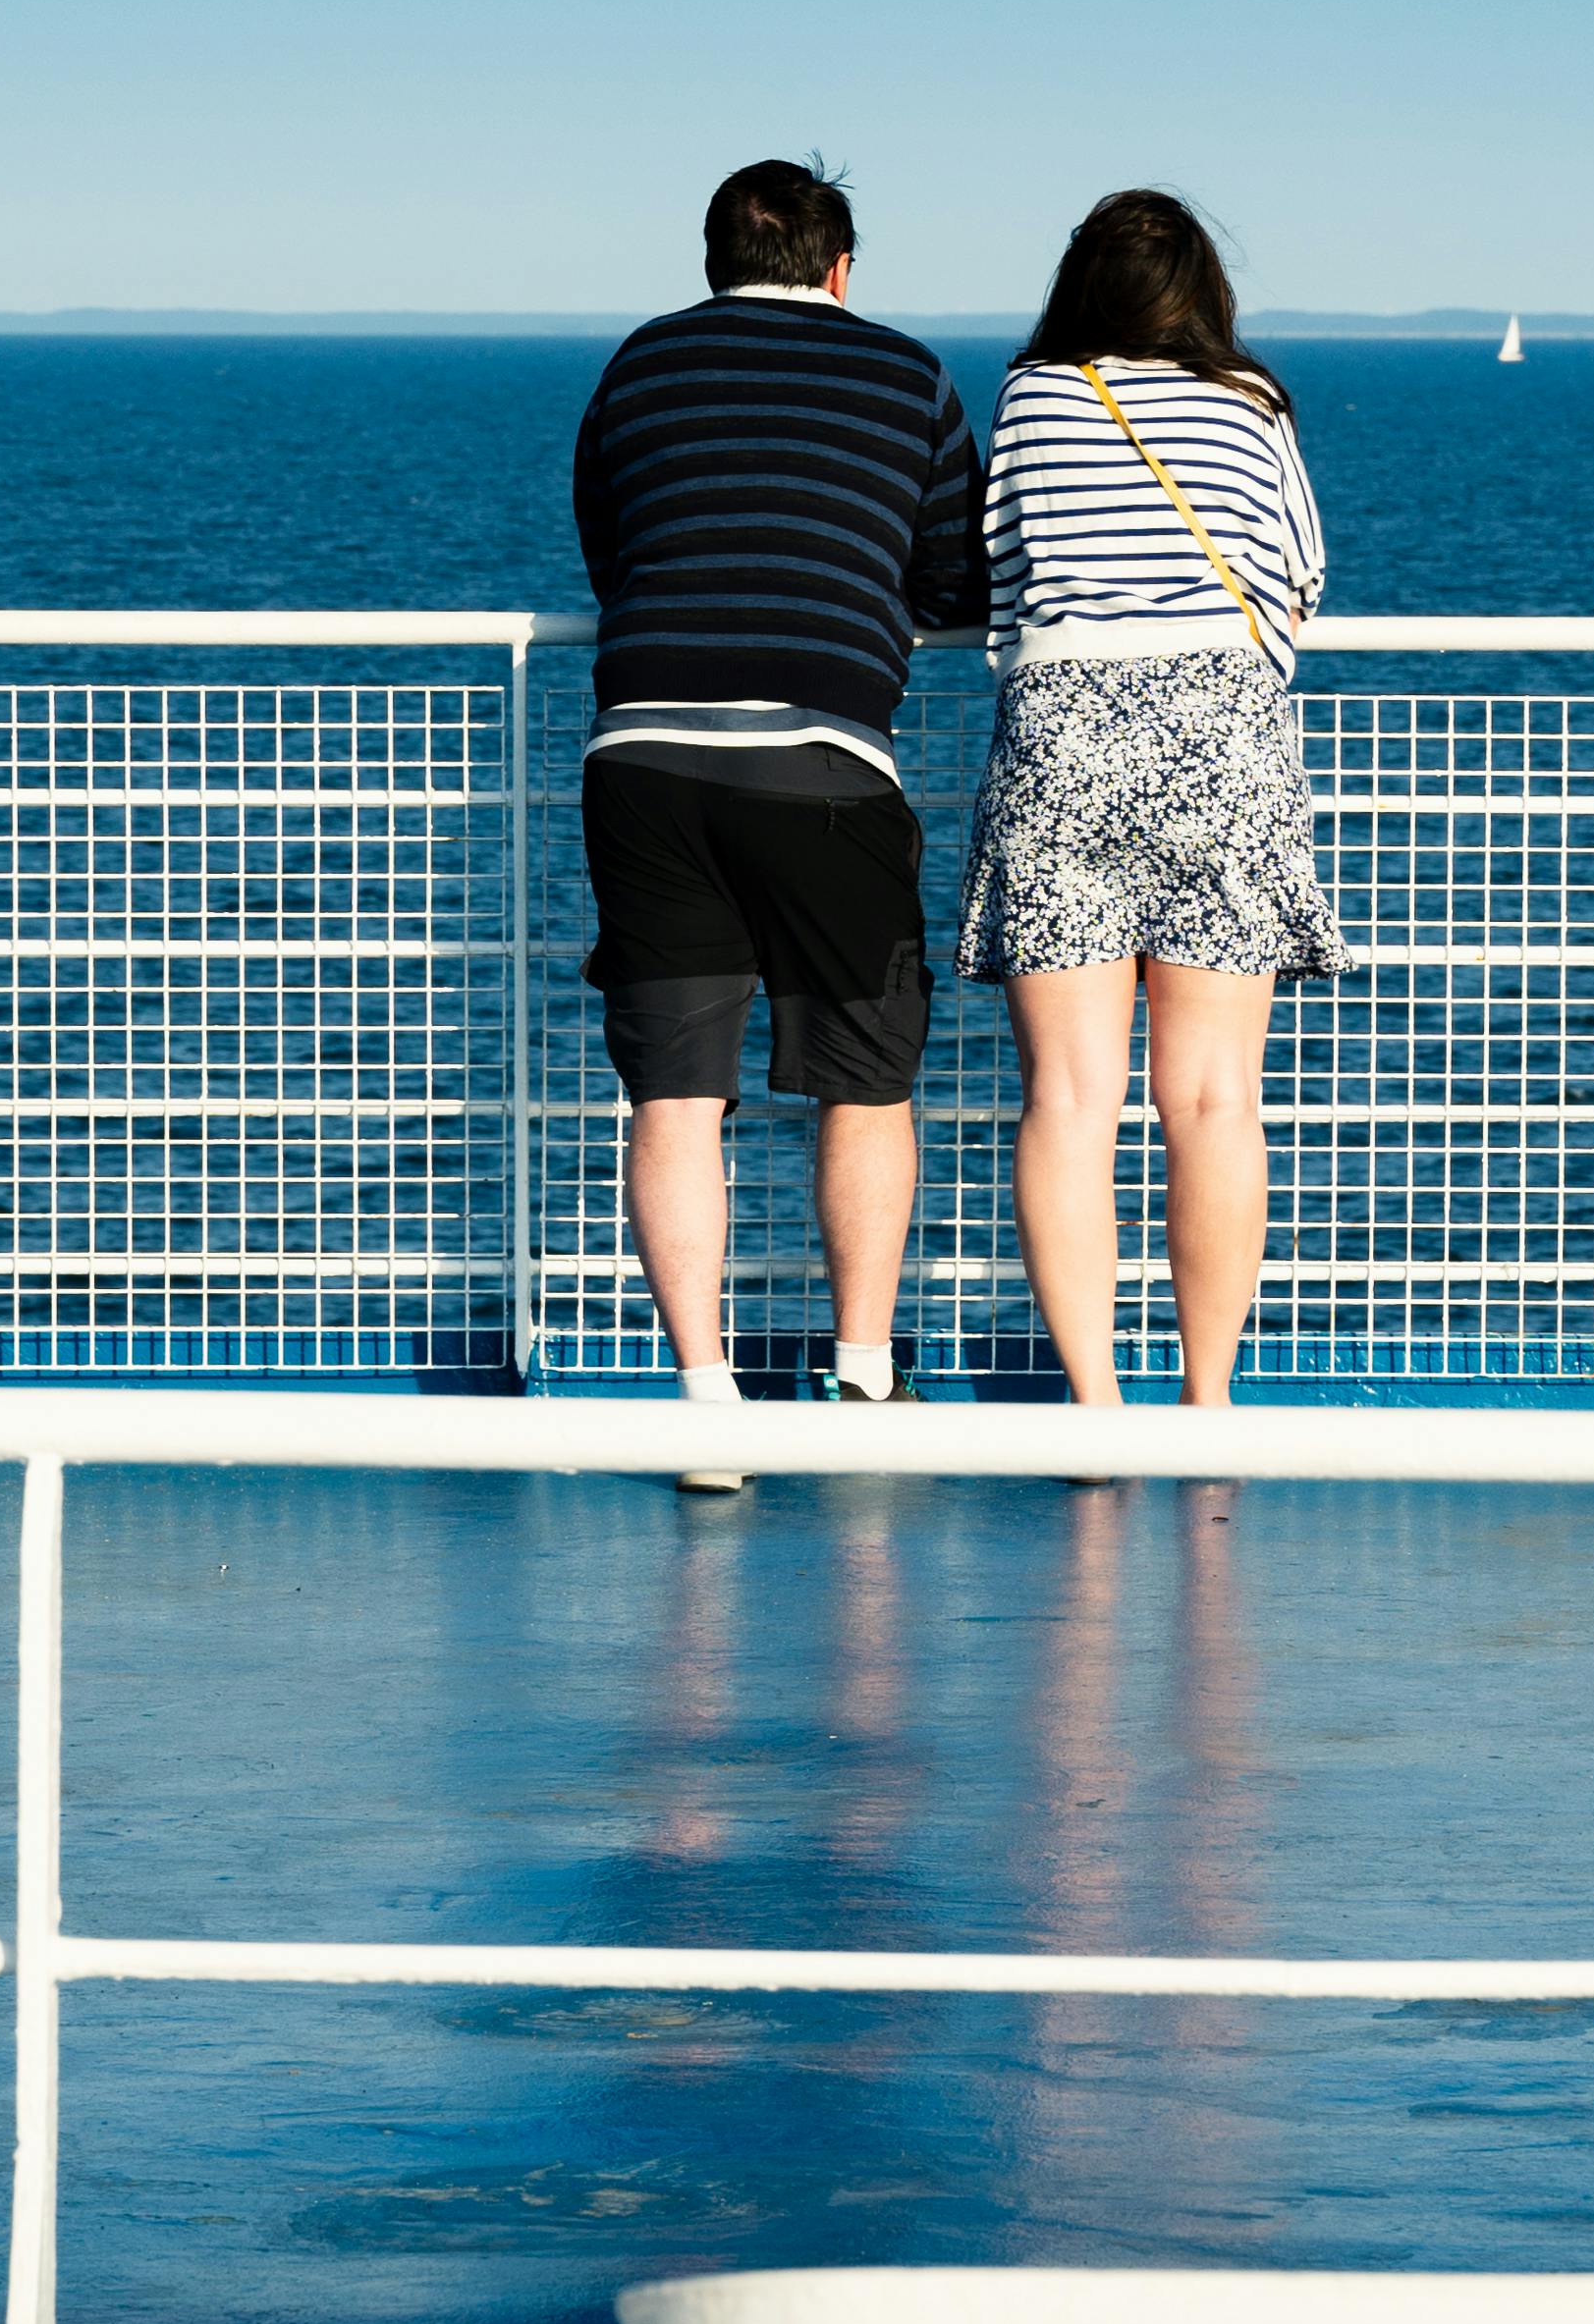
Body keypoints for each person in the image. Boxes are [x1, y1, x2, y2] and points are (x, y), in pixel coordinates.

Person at [572, 157, 987, 1477]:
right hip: (822, 761)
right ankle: (861, 1381)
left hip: (642, 759)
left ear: (709, 262)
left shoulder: (637, 367)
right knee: (863, 1085)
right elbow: (956, 575)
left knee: (676, 1097)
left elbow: (609, 544)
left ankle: (706, 1406)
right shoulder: (907, 376)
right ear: (839, 268)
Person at [953, 189, 1343, 1408]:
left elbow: (1002, 575)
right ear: (1202, 292)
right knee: (1216, 1098)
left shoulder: (1033, 397)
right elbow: (1302, 573)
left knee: (1069, 1100)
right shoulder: (1253, 402)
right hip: (1224, 745)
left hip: (1062, 740)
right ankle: (1208, 1403)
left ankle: (1095, 1406)